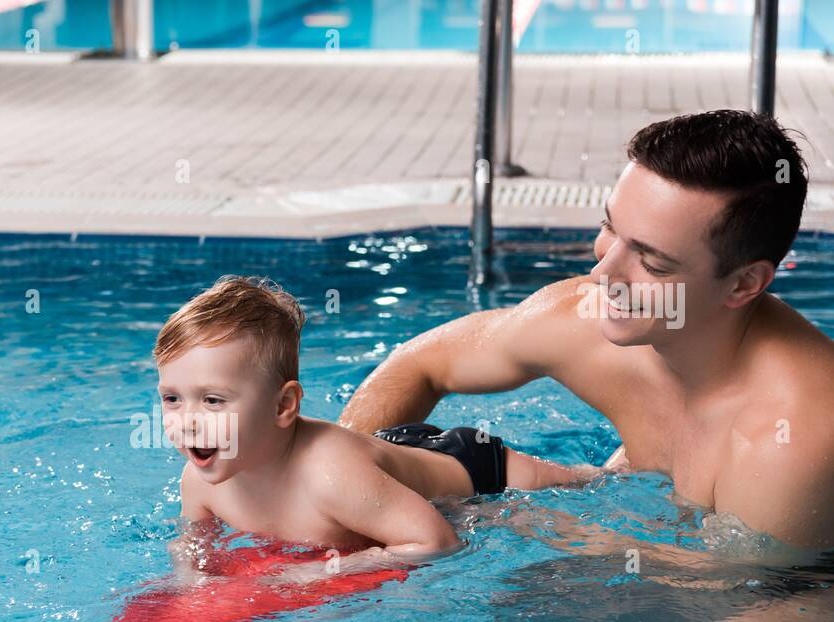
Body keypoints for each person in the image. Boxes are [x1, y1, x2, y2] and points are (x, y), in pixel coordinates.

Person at [339, 110, 834, 551]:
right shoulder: (584, 319)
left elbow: (754, 599)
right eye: (611, 228)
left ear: (744, 283)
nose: (604, 274)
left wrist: (524, 523)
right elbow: (419, 364)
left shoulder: (787, 443)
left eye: (653, 262)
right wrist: (337, 488)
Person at [153, 275, 601, 576]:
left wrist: (320, 571)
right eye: (172, 399)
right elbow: (192, 545)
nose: (188, 422)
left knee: (594, 486)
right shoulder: (200, 481)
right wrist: (191, 583)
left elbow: (437, 542)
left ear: (283, 405)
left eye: (212, 400)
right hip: (383, 466)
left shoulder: (329, 476)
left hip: (472, 468)